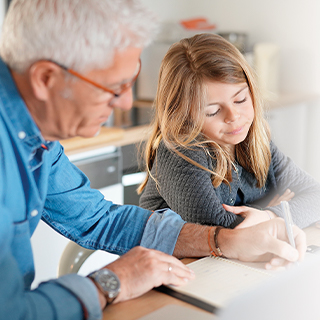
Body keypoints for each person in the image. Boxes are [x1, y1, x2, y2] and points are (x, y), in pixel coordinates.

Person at [0, 2, 306, 320]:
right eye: (114, 88)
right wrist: (110, 282)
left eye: (130, 83)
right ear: (46, 78)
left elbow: (99, 219)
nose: (127, 102)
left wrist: (223, 240)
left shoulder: (36, 139)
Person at [139, 33, 320, 230]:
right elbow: (222, 233)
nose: (233, 116)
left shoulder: (256, 140)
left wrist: (268, 215)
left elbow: (315, 196)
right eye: (213, 111)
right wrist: (279, 212)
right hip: (180, 261)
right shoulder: (180, 151)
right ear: (184, 117)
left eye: (240, 99)